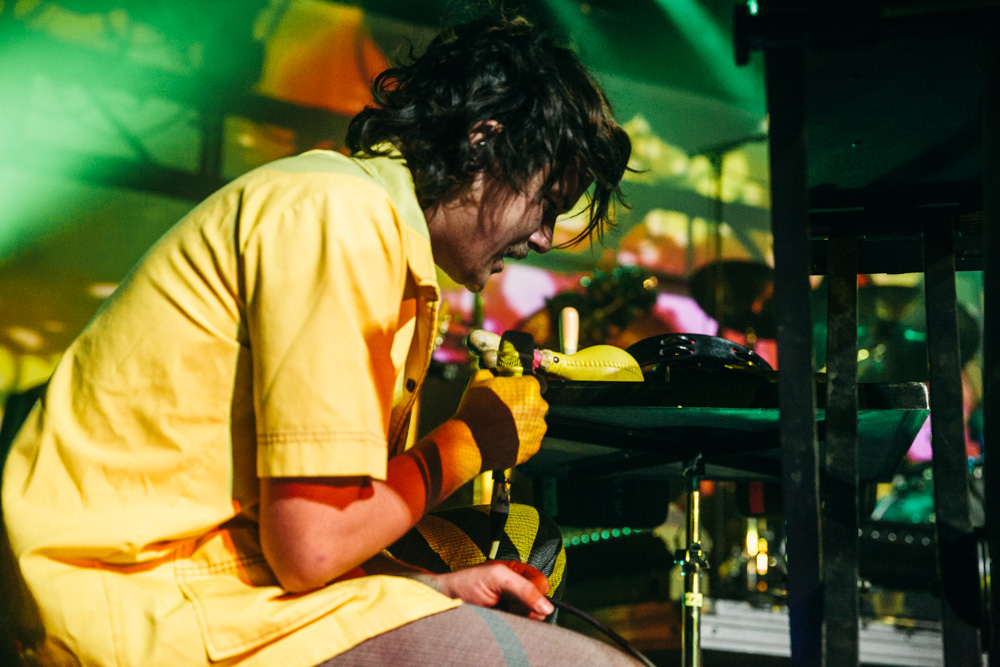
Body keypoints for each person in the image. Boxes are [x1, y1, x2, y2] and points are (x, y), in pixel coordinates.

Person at [1, 13, 637, 667]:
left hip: (200, 592)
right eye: (548, 202)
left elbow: (301, 541)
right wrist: (468, 439)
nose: (543, 238)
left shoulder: (356, 218)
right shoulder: (342, 218)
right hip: (143, 609)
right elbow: (314, 546)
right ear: (485, 141)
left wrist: (426, 587)